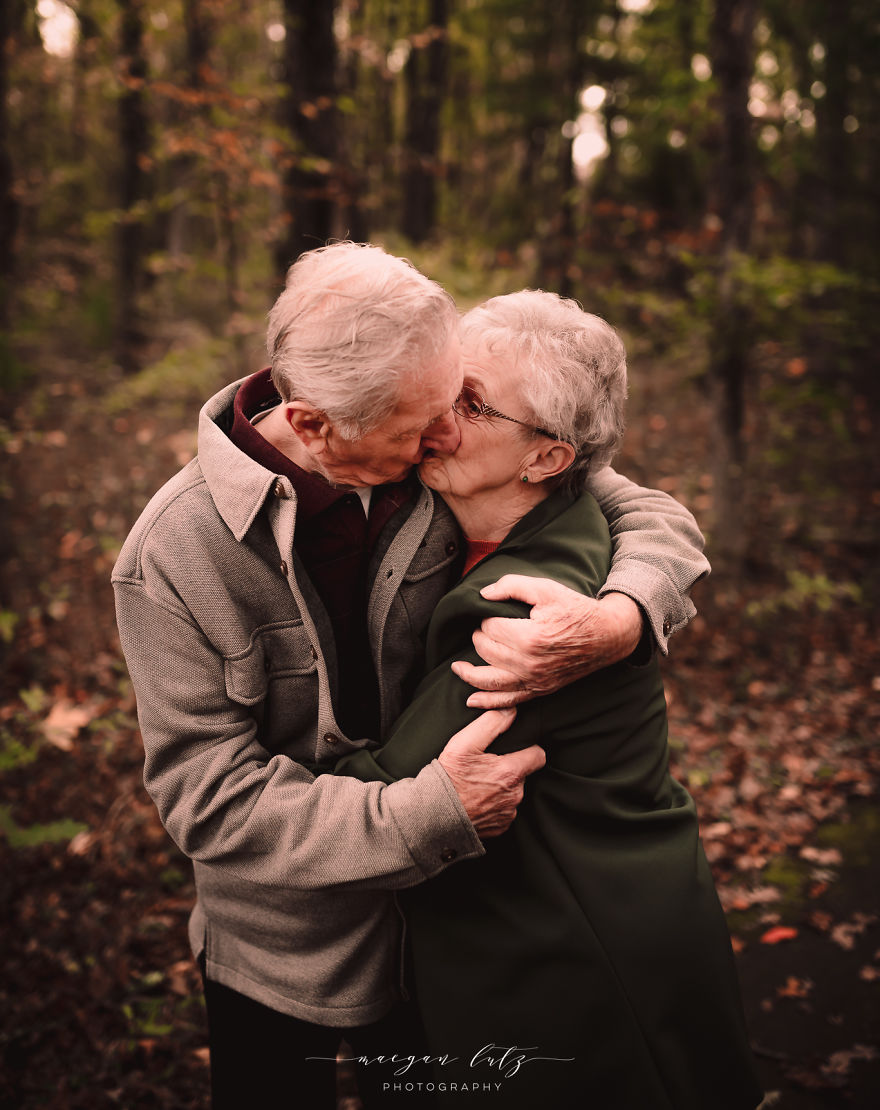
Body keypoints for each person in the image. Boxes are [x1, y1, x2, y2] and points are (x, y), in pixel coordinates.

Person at [112, 243, 711, 1109]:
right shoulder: (175, 553)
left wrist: (623, 616)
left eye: (456, 404)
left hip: (438, 943)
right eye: (420, 424)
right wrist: (424, 811)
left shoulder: (431, 454)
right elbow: (205, 795)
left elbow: (615, 493)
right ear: (315, 424)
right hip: (286, 955)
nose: (441, 433)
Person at [332, 290, 763, 1109]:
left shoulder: (525, 611)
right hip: (617, 905)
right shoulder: (529, 513)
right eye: (446, 383)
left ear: (546, 460)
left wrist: (247, 765)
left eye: (472, 403)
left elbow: (386, 787)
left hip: (577, 950)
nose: (435, 414)